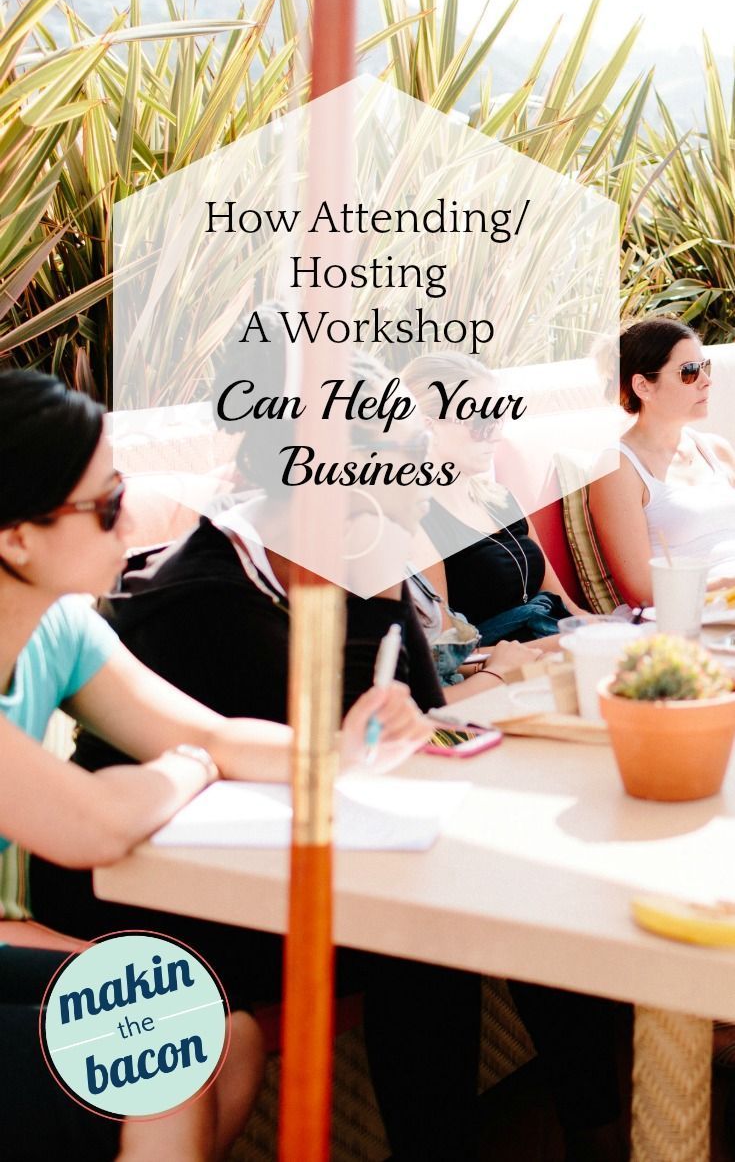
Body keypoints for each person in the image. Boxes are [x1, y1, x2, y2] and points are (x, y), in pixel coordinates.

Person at [33, 318, 627, 1160]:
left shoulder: (331, 555)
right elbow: (334, 751)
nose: (419, 462)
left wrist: (381, 579)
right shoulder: (205, 596)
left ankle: (593, 1128)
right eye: (400, 441)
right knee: (426, 933)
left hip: (278, 850)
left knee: (497, 885)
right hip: (162, 894)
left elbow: (401, 726)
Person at [0, 367, 430, 1162]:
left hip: (17, 941)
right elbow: (94, 825)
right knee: (167, 1054)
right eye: (103, 507)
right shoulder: (183, 597)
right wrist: (188, 768)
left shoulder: (59, 631)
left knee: (224, 1039)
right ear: (16, 538)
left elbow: (221, 737)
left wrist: (338, 753)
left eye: (120, 491)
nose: (128, 524)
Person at [401, 352, 590, 644]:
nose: (496, 434)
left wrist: (619, 633)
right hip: (499, 670)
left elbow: (565, 606)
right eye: (480, 421)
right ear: (428, 426)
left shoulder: (502, 498)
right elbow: (447, 650)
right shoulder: (416, 518)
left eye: (497, 416)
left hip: (552, 648)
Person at [588, 317, 735, 607]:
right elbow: (643, 593)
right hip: (688, 617)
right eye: (689, 372)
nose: (707, 381)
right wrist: (727, 585)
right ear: (643, 386)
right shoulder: (617, 469)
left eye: (704, 367)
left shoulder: (717, 451)